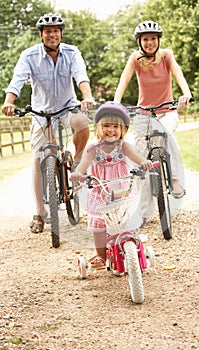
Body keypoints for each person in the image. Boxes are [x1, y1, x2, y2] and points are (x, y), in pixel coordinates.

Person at [2, 13, 94, 233]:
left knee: (81, 123)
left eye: (56, 31)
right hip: (41, 111)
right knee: (38, 160)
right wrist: (9, 102)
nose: (52, 34)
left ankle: (77, 160)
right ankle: (40, 212)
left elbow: (81, 75)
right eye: (47, 31)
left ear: (61, 33)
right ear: (41, 34)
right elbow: (18, 80)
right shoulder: (29, 55)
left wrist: (87, 96)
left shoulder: (72, 52)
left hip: (67, 106)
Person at [114, 20, 192, 223]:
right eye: (145, 39)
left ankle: (174, 179)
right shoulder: (135, 59)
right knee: (142, 161)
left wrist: (186, 94)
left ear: (158, 40)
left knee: (166, 134)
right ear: (139, 42)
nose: (150, 42)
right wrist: (116, 103)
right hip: (144, 114)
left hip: (167, 112)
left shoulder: (166, 56)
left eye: (153, 38)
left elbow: (178, 73)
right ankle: (144, 212)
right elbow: (124, 79)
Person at [70, 101, 153, 268]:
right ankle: (101, 255)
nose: (111, 130)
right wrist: (78, 173)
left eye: (116, 126)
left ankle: (134, 249)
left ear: (123, 130)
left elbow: (138, 158)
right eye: (106, 125)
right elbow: (84, 164)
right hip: (101, 192)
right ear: (98, 128)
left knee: (127, 218)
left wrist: (145, 163)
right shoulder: (93, 148)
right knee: (99, 223)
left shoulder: (124, 147)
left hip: (122, 190)